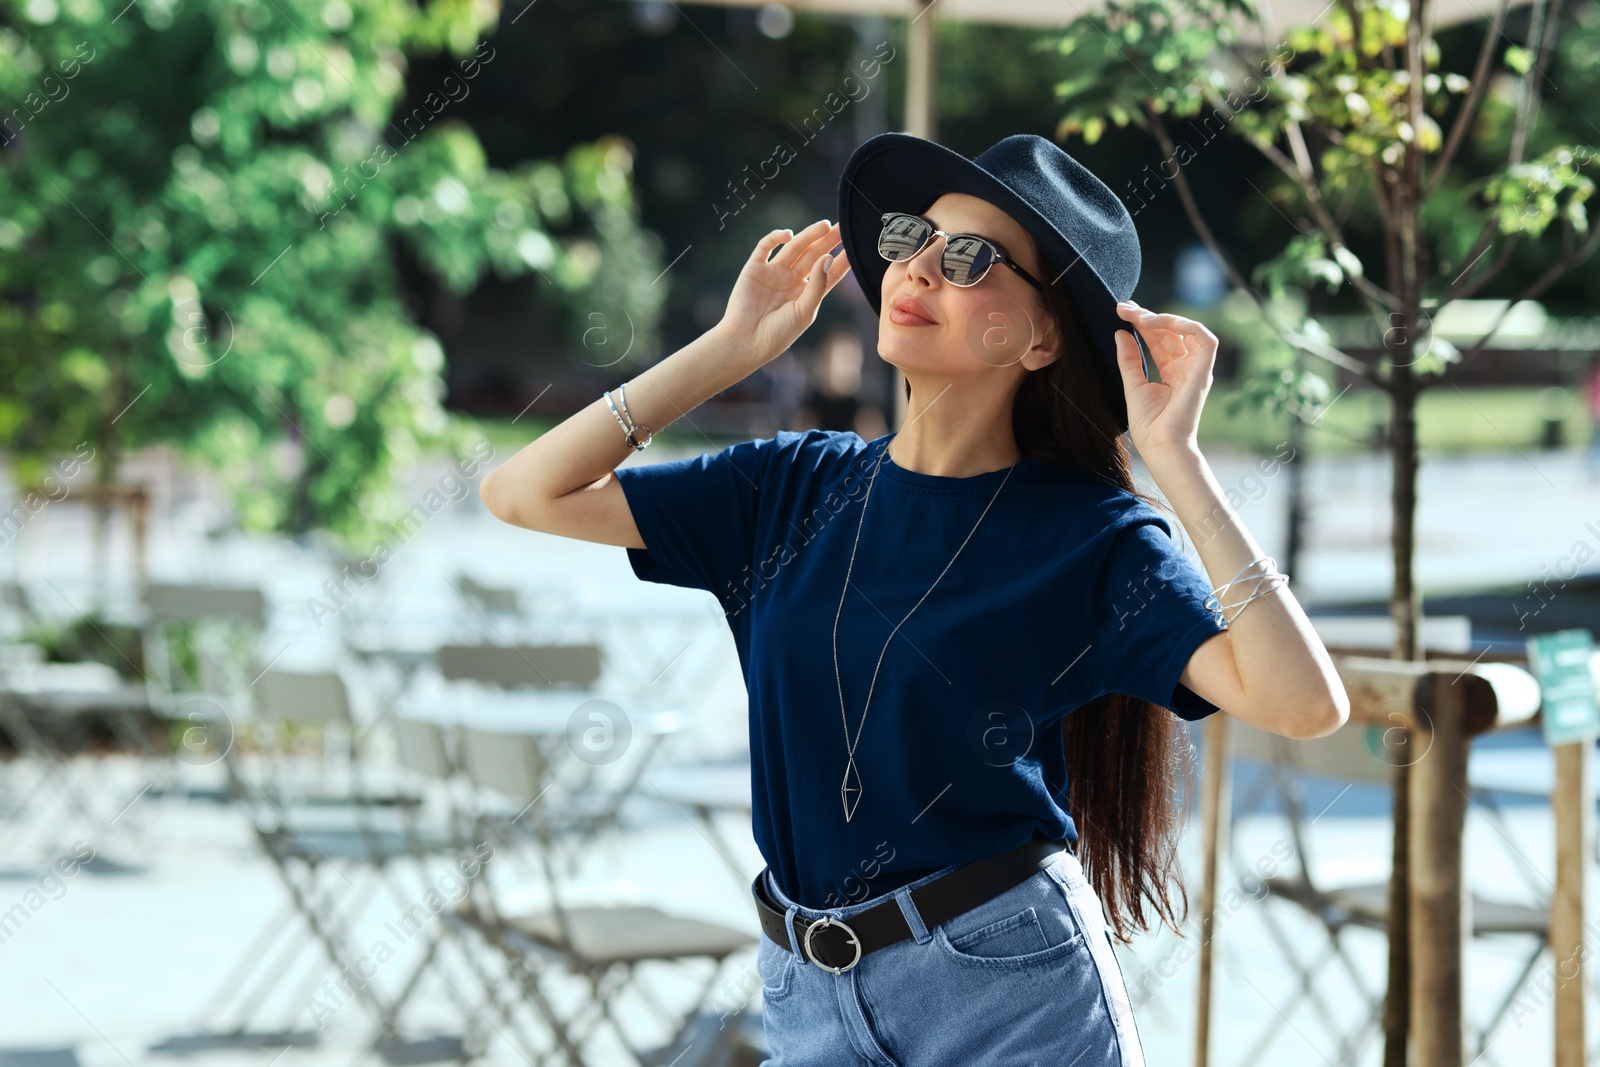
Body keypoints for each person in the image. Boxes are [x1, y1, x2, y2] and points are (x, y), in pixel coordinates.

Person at [479, 132, 1349, 1067]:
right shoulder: (788, 491)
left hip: (1005, 993)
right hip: (805, 986)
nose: (919, 269)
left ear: (1042, 334)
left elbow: (1304, 703)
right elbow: (524, 492)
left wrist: (1174, 460)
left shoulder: (1089, 537)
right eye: (910, 240)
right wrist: (726, 353)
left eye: (970, 257)